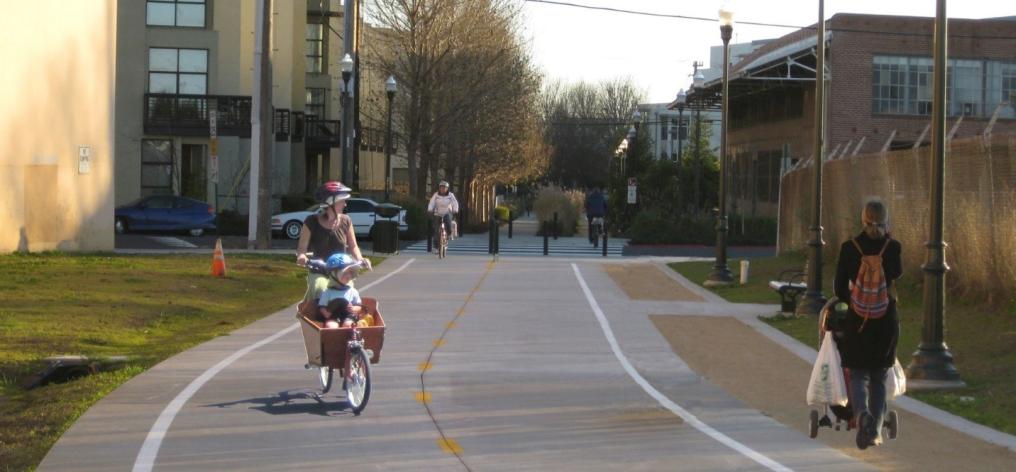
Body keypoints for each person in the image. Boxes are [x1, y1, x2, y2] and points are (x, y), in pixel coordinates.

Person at [833, 198, 902, 450]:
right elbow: (897, 274)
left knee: (858, 374)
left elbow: (839, 288)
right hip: (885, 323)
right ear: (886, 220)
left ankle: (862, 416)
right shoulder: (893, 247)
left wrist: (856, 300)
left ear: (863, 220)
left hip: (858, 322)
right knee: (879, 377)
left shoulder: (848, 248)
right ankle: (875, 432)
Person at [296, 181, 372, 302]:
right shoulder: (311, 221)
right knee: (320, 289)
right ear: (331, 203)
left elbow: (353, 247)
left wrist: (360, 258)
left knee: (348, 295)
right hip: (319, 271)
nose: (345, 204)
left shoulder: (346, 221)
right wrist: (301, 257)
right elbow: (302, 248)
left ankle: (348, 318)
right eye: (342, 201)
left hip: (342, 271)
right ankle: (319, 317)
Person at [317, 253, 365, 328]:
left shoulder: (353, 291)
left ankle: (351, 337)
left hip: (349, 316)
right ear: (333, 274)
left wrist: (354, 308)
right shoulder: (328, 292)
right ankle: (333, 338)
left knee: (348, 325)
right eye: (345, 273)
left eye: (350, 272)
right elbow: (322, 307)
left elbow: (359, 306)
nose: (348, 276)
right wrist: (325, 313)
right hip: (333, 315)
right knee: (331, 326)